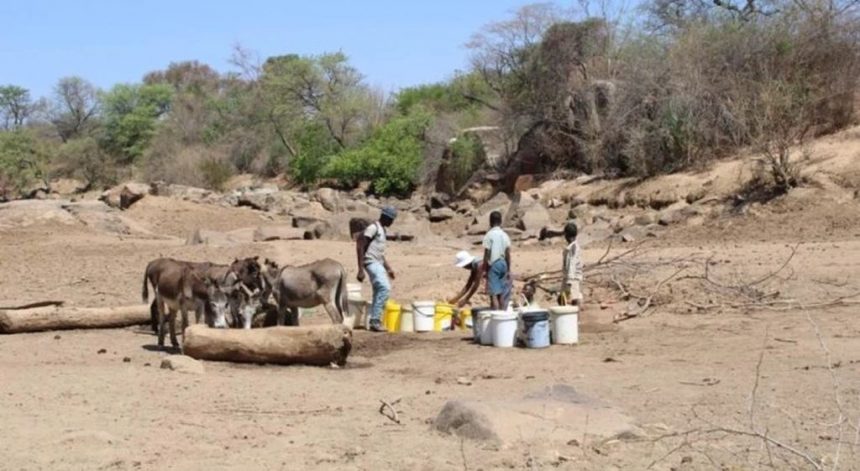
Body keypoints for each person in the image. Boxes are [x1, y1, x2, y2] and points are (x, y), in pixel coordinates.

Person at [356, 206, 397, 332]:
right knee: (384, 288)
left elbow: (379, 253)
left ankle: (374, 321)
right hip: (370, 262)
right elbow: (360, 245)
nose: (392, 222)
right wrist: (360, 269)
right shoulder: (373, 228)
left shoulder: (382, 230)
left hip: (377, 263)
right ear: (385, 217)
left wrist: (388, 268)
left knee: (378, 291)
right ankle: (375, 321)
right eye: (391, 219)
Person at [482, 210, 511, 310]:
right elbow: (508, 253)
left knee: (493, 294)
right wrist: (508, 269)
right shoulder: (504, 235)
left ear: (490, 222)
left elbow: (487, 254)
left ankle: (496, 317)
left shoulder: (489, 235)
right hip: (503, 264)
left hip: (493, 265)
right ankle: (502, 315)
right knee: (501, 294)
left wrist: (484, 269)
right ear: (501, 221)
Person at [558, 221, 583, 306]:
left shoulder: (572, 248)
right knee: (563, 300)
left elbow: (571, 265)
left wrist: (569, 283)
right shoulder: (573, 246)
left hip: (572, 279)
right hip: (570, 278)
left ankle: (575, 318)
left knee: (572, 300)